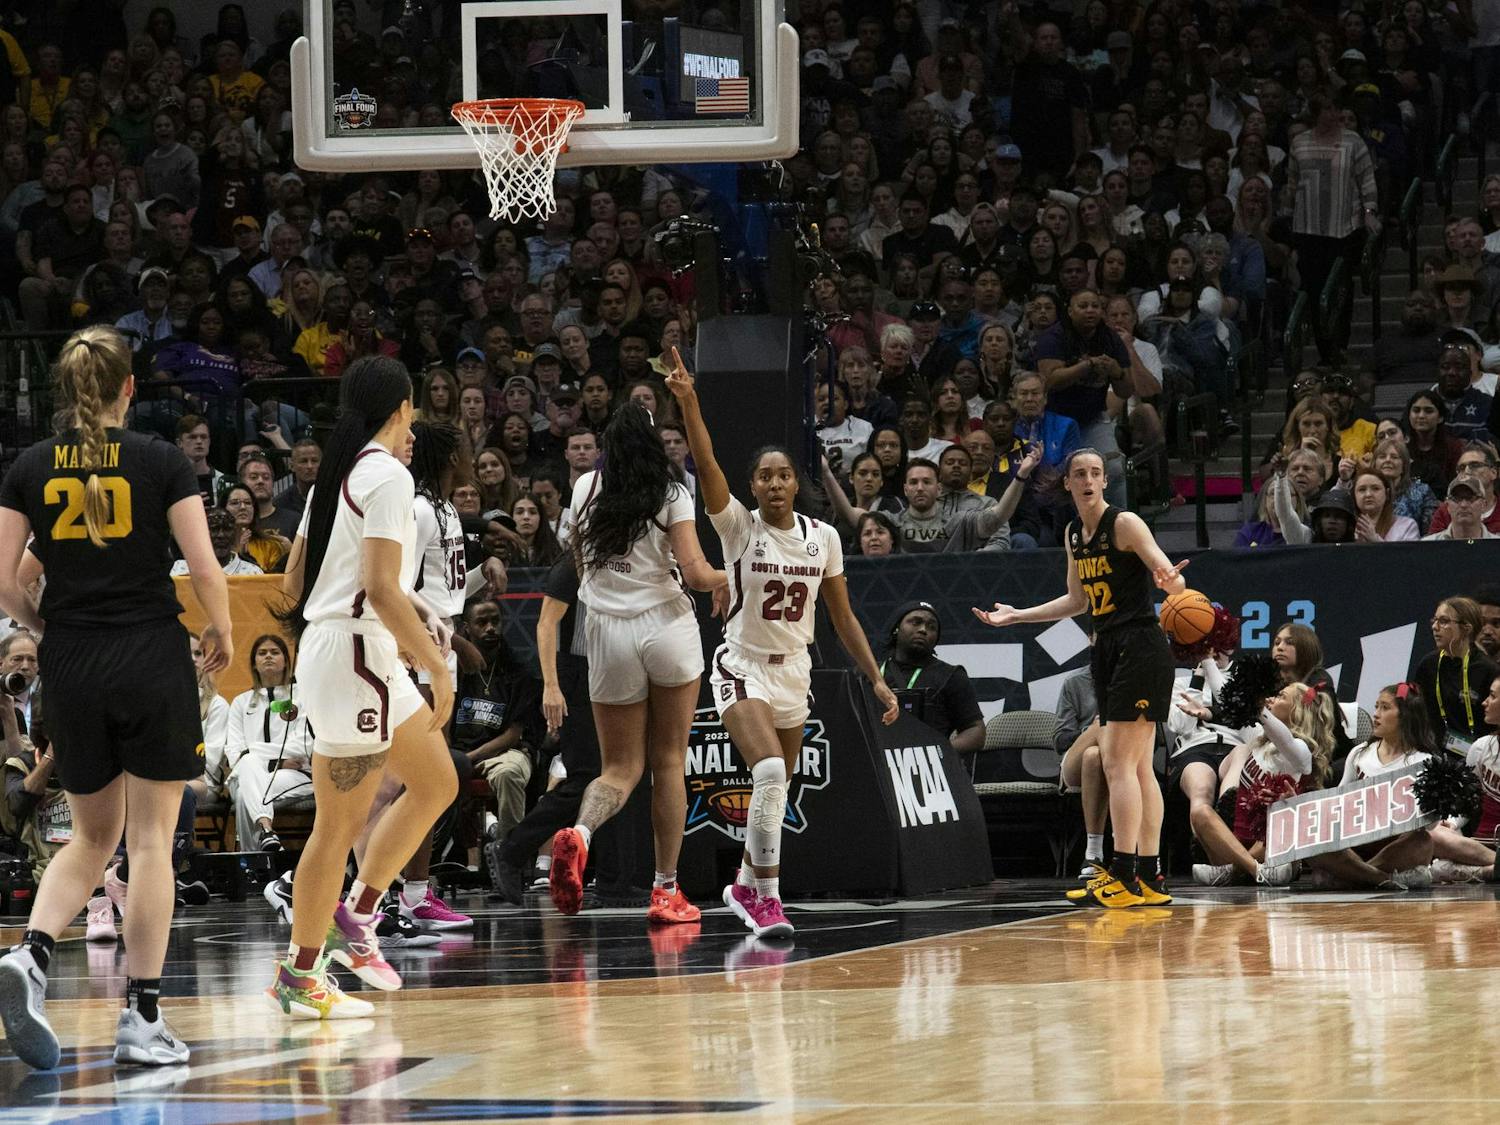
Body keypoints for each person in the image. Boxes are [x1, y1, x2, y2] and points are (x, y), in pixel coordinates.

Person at [0, 325, 233, 1069]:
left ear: (68, 393)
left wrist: (46, 625)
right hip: (149, 655)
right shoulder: (160, 459)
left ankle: (32, 953)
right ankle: (142, 1016)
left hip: (71, 662)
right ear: (130, 387)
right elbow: (203, 564)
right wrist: (222, 629)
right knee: (152, 842)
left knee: (91, 836)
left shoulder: (29, 465)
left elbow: (7, 579)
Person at [666, 349, 898, 937]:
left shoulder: (822, 539)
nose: (774, 482)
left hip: (796, 668)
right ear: (753, 487)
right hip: (742, 664)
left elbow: (843, 617)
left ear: (797, 483)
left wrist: (874, 676)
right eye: (764, 475)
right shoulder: (738, 527)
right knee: (768, 771)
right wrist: (689, 400)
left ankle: (744, 883)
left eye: (783, 474)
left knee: (778, 786)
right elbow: (708, 461)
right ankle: (766, 896)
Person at [267, 355, 457, 1020]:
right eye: (413, 411)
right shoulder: (387, 476)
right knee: (336, 825)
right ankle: (301, 972)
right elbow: (377, 587)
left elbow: (290, 587)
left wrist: (396, 616)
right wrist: (435, 663)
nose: (417, 426)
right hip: (355, 654)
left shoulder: (335, 478)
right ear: (399, 406)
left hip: (351, 651)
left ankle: (360, 914)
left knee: (436, 781)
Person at [973, 448, 1186, 908]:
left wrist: (1170, 581)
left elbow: (1169, 576)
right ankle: (1150, 878)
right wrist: (1017, 617)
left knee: (1118, 766)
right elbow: (1076, 600)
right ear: (1067, 484)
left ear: (1104, 482)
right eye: (1079, 474)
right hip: (1107, 648)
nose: (1089, 480)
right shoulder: (1074, 533)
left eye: (1096, 473)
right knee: (1137, 769)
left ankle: (1125, 875)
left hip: (1139, 646)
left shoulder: (1124, 524)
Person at [548, 400, 724, 924]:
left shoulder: (584, 489)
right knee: (669, 761)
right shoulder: (672, 492)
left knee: (619, 768)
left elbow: (580, 566)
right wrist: (728, 575)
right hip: (665, 626)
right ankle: (666, 889)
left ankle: (578, 836)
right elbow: (694, 573)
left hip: (606, 631)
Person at [1189, 681, 1338, 886]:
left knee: (1276, 822)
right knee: (1200, 813)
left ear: (1297, 711)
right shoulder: (1260, 738)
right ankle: (1252, 871)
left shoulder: (1301, 752)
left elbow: (1285, 740)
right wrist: (1207, 657)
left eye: (1281, 697)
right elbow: (1227, 694)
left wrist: (1258, 707)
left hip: (1270, 846)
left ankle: (1235, 872)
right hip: (1236, 844)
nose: (1271, 699)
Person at [224, 634, 312, 852]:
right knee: (248, 774)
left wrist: (252, 753)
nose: (268, 657)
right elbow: (234, 752)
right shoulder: (241, 702)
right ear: (254, 662)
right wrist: (277, 763)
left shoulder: (302, 696)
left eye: (275, 652)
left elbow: (302, 745)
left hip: (296, 776)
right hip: (251, 772)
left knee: (247, 790)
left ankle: (253, 863)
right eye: (262, 653)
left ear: (286, 660)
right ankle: (266, 834)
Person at [879, 602, 984, 753]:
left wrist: (939, 752)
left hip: (929, 768)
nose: (923, 630)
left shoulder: (951, 675)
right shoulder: (868, 673)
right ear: (897, 628)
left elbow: (976, 730)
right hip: (875, 761)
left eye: (932, 627)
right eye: (916, 622)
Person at [1415, 596, 1498, 753]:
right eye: (1434, 620)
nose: (1435, 626)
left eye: (1444, 621)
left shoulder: (1488, 670)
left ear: (1466, 628)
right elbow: (1415, 715)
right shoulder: (1428, 665)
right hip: (1432, 759)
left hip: (1477, 758)